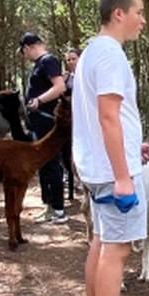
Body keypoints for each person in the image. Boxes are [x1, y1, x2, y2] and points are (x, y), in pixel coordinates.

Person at [72, 0, 149, 296]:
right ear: (118, 13)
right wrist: (123, 174)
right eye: (139, 12)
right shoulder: (110, 55)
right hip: (111, 172)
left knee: (100, 241)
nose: (143, 20)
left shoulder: (93, 52)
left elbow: (107, 118)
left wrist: (130, 147)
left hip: (100, 163)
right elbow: (107, 116)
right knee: (116, 249)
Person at [19, 32, 68, 224]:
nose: (25, 56)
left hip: (47, 120)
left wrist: (39, 100)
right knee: (44, 164)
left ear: (28, 47)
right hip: (38, 121)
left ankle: (58, 210)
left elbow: (59, 87)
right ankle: (50, 206)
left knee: (51, 163)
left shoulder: (48, 61)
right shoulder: (40, 64)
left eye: (24, 52)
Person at [62, 48, 81, 200]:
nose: (70, 62)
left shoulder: (87, 76)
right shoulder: (66, 78)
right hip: (69, 120)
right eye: (68, 60)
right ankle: (70, 179)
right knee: (68, 151)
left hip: (83, 119)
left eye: (73, 58)